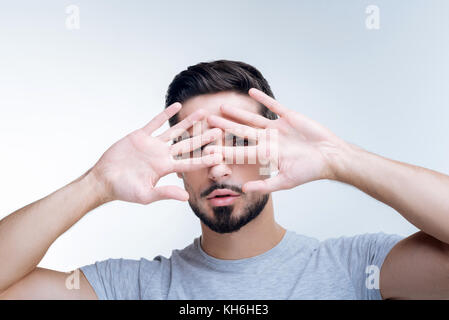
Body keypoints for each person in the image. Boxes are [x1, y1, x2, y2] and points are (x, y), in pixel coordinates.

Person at [1, 60, 449, 300]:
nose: (218, 166)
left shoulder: (355, 269)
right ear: (174, 163)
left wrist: (339, 160)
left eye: (238, 143)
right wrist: (96, 184)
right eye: (196, 148)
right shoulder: (131, 288)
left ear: (272, 153)